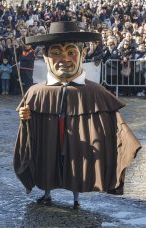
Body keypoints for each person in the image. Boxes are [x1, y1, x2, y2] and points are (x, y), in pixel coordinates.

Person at [13, 21, 141, 210]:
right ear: (47, 57)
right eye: (56, 53)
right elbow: (27, 128)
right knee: (49, 158)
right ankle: (47, 194)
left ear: (81, 55)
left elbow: (114, 121)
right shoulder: (36, 91)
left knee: (77, 162)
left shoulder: (95, 91)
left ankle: (75, 199)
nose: (64, 59)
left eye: (71, 52)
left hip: (78, 138)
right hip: (50, 134)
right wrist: (25, 117)